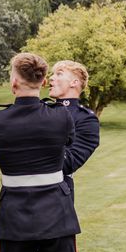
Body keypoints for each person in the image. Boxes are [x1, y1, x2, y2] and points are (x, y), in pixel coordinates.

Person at [0, 53, 80, 252]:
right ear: (44, 80)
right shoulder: (60, 117)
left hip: (15, 217)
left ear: (14, 83)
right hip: (57, 216)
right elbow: (69, 141)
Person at [48, 60, 100, 199]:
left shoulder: (86, 119)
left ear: (74, 83)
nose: (51, 78)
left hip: (56, 195)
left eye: (59, 74)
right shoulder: (41, 110)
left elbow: (69, 163)